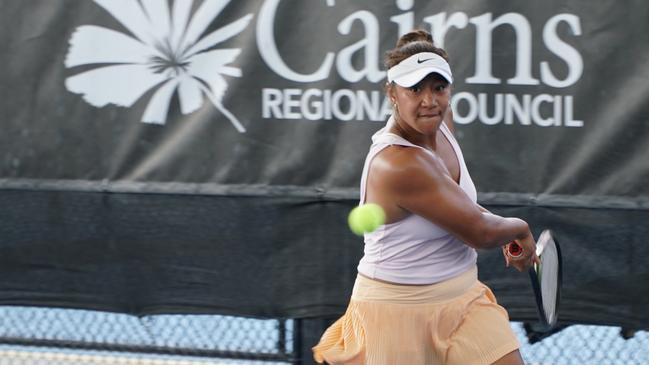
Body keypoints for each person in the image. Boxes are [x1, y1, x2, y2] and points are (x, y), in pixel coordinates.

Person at [312, 30, 539, 365]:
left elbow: (457, 203)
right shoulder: (399, 164)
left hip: (463, 301)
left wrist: (501, 226)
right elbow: (480, 232)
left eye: (438, 87)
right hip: (396, 312)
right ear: (392, 93)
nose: (429, 101)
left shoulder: (439, 122)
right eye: (414, 89)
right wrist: (520, 228)